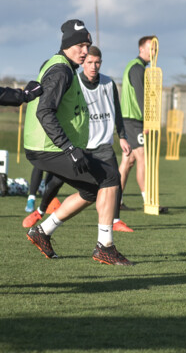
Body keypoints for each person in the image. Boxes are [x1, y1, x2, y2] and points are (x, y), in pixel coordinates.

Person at [24, 19, 132, 266]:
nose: (85, 51)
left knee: (92, 190)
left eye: (88, 46)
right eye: (80, 45)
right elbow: (45, 112)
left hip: (46, 146)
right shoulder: (61, 71)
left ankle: (43, 231)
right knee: (110, 177)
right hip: (49, 147)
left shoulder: (59, 65)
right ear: (67, 45)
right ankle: (105, 247)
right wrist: (70, 148)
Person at [118, 36, 155, 209]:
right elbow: (141, 98)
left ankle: (115, 200)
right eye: (151, 49)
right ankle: (148, 201)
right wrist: (148, 122)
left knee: (128, 161)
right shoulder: (138, 68)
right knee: (143, 158)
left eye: (156, 49)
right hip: (134, 120)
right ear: (141, 49)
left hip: (128, 119)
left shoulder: (134, 66)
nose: (154, 52)